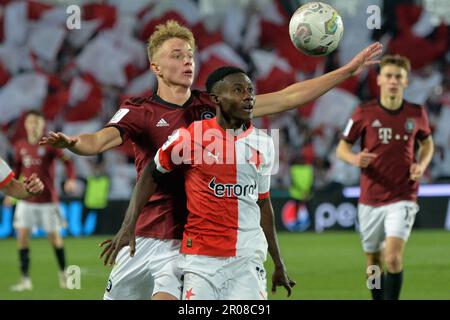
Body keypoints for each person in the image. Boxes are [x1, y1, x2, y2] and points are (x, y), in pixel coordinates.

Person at [39, 20, 382, 300]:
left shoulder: (215, 104)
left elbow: (287, 98)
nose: (187, 60)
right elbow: (97, 140)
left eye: (190, 54)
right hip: (141, 237)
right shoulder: (139, 111)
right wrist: (72, 143)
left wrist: (347, 71)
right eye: (177, 55)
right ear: (155, 66)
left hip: (185, 242)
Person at [103, 66, 295, 299]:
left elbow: (263, 203)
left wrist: (278, 262)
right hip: (200, 262)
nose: (248, 96)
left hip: (247, 259)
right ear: (216, 98)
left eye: (250, 90)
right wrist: (128, 224)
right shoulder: (191, 136)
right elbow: (151, 173)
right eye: (238, 90)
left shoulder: (264, 142)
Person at [336, 55, 434, 300]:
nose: (393, 81)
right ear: (379, 79)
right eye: (388, 76)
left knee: (392, 257)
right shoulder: (363, 112)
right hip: (370, 198)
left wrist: (421, 164)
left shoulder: (416, 112)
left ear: (406, 81)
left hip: (403, 195)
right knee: (373, 261)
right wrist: (355, 159)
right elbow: (342, 148)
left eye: (398, 77)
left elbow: (427, 144)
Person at [8, 110, 78, 292]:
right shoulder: (19, 146)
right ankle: (25, 280)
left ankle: (64, 276)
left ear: (42, 125)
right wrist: (10, 193)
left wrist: (71, 179)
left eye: (38, 123)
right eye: (31, 122)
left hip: (48, 201)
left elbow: (68, 162)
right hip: (26, 201)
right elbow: (16, 171)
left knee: (55, 240)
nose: (34, 126)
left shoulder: (49, 145)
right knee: (22, 239)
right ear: (26, 124)